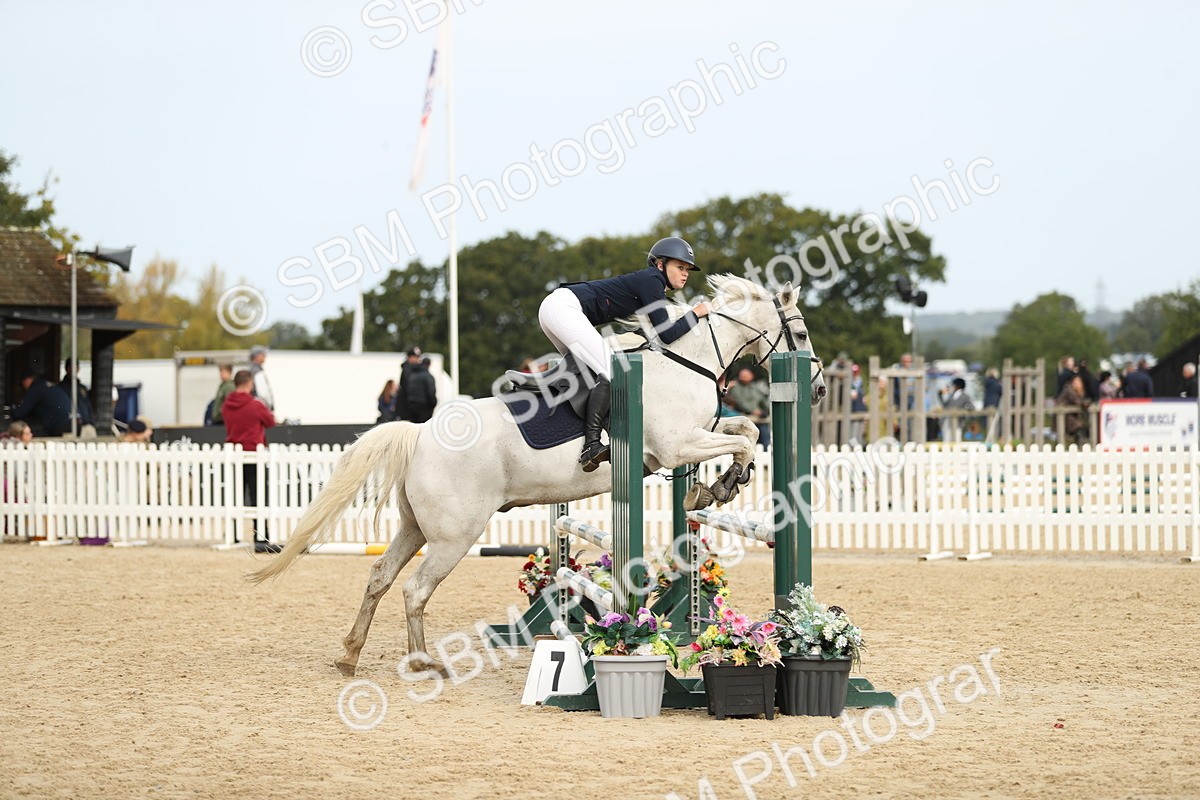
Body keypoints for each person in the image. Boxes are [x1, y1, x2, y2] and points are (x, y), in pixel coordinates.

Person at [538, 236, 708, 471]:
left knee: (586, 372)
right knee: (612, 369)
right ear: (660, 264)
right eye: (680, 267)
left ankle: (580, 434)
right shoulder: (652, 280)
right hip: (564, 309)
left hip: (554, 309)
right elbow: (667, 335)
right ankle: (591, 444)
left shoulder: (652, 286)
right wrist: (696, 314)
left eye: (687, 269)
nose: (685, 273)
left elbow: (652, 334)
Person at [223, 369, 279, 553]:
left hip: (233, 456)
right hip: (254, 455)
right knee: (258, 497)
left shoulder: (227, 404)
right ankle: (260, 536)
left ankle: (232, 534)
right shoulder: (255, 405)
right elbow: (271, 422)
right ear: (249, 384)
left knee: (235, 497)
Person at [12, 371, 72, 437]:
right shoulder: (46, 385)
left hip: (57, 426)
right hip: (69, 422)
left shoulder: (36, 388)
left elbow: (20, 412)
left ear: (26, 380)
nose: (23, 387)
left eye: (22, 384)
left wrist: (12, 411)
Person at [725, 367, 770, 450]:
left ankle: (766, 450)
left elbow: (762, 400)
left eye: (746, 375)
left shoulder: (754, 388)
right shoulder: (736, 387)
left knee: (764, 433)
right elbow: (739, 402)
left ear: (751, 376)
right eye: (742, 375)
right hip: (743, 416)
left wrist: (766, 409)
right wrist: (752, 411)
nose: (744, 377)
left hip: (759, 417)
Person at [59, 358, 93, 433]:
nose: (74, 369)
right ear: (67, 369)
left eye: (76, 367)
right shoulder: (61, 388)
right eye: (71, 367)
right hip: (69, 427)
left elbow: (88, 406)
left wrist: (91, 421)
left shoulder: (82, 388)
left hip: (86, 425)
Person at [1056, 374, 1090, 444]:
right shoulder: (1069, 389)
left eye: (1079, 382)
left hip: (1070, 416)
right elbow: (1077, 401)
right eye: (1076, 382)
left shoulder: (1076, 391)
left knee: (1079, 429)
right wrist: (1084, 404)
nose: (1078, 384)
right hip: (1064, 416)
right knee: (1078, 428)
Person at [940, 377, 976, 442]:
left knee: (957, 438)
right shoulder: (951, 395)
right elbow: (945, 405)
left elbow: (971, 407)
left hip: (958, 421)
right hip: (947, 420)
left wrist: (964, 411)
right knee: (946, 439)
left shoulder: (965, 396)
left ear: (957, 386)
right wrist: (940, 395)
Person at [404, 358, 438, 423]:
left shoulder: (412, 375)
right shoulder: (428, 376)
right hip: (424, 407)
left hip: (412, 406)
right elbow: (431, 392)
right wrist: (433, 404)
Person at [396, 346, 423, 422]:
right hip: (408, 409)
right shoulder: (408, 371)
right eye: (414, 357)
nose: (417, 359)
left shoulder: (415, 370)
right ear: (409, 357)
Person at [249, 345, 275, 411]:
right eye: (263, 355)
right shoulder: (257, 371)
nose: (265, 356)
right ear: (256, 356)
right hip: (261, 408)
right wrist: (268, 407)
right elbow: (263, 394)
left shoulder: (252, 369)